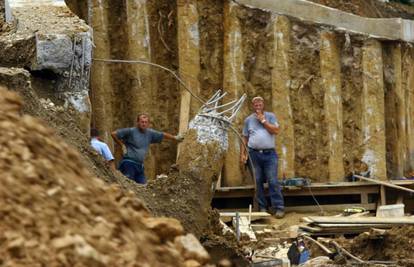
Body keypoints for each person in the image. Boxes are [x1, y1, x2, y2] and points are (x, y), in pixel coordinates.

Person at [240, 96, 285, 218]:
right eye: (255, 103)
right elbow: (245, 137)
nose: (258, 105)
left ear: (263, 104)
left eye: (260, 103)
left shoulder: (270, 116)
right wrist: (243, 154)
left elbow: (275, 130)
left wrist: (263, 121)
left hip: (269, 154)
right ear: (253, 106)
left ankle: (278, 207)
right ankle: (262, 207)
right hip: (253, 154)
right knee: (258, 180)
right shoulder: (248, 120)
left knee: (272, 180)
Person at [111, 113, 183, 184]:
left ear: (148, 123)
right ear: (138, 122)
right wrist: (122, 145)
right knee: (127, 185)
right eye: (142, 122)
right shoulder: (131, 131)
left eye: (146, 122)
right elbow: (114, 134)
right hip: (129, 164)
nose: (144, 124)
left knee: (144, 187)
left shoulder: (150, 133)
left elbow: (162, 135)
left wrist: (175, 138)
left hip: (140, 166)